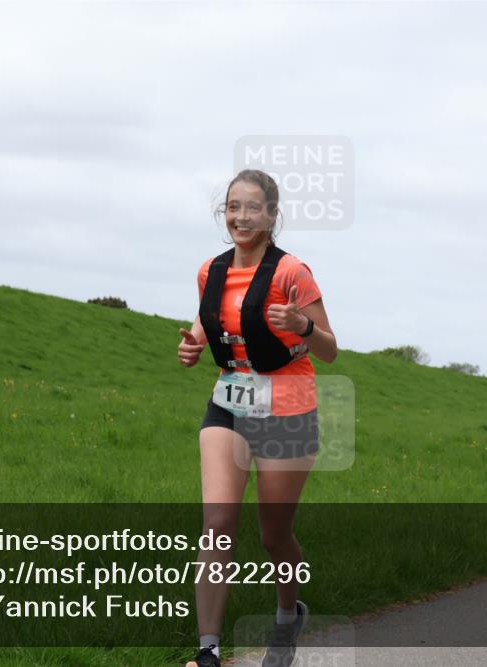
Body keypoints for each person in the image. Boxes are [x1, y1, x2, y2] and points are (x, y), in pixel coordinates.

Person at [177, 169, 337, 666]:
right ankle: (207, 651)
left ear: (272, 215)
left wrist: (302, 324)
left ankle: (288, 617)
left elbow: (329, 350)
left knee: (274, 535)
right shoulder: (210, 271)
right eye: (233, 207)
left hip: (288, 409)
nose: (241, 217)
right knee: (217, 525)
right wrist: (192, 346)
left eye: (252, 208)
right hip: (228, 403)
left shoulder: (292, 272)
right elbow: (211, 319)